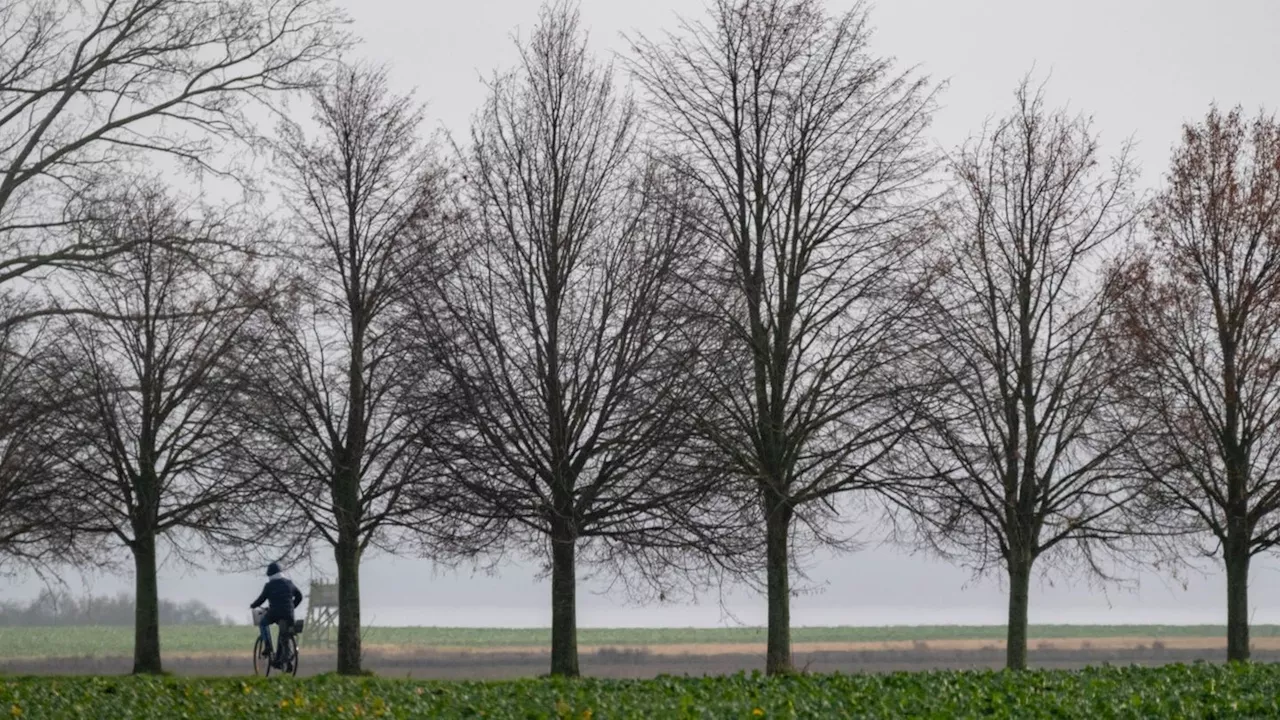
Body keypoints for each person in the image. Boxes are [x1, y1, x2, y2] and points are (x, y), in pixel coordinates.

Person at [250, 562, 303, 668]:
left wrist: (253, 605)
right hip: (289, 615)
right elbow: (299, 596)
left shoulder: (269, 585)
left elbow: (262, 599)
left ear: (270, 574)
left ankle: (268, 646)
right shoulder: (289, 583)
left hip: (274, 613)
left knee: (263, 623)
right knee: (284, 633)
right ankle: (283, 660)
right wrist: (292, 607)